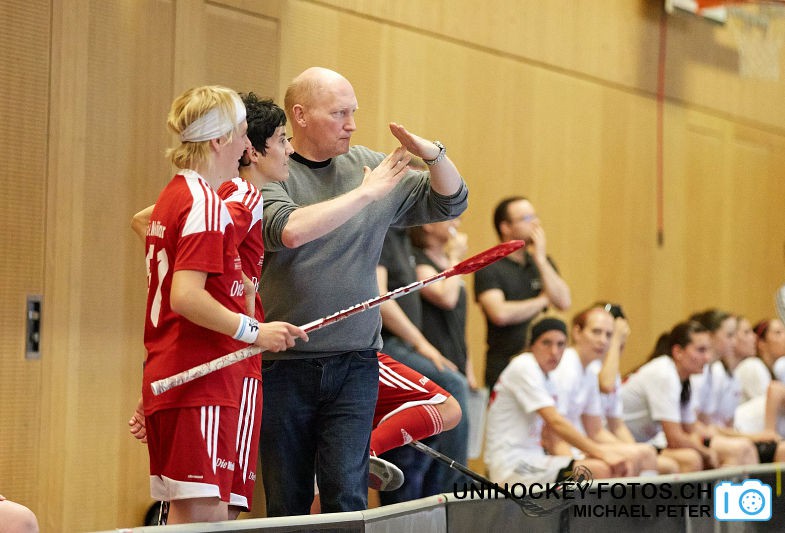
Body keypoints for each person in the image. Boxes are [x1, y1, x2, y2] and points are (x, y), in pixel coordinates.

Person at [258, 67, 468, 516]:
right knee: (287, 499)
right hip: (284, 362)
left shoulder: (368, 166)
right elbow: (287, 231)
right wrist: (366, 195)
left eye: (353, 112)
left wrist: (435, 156)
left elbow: (452, 201)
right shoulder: (272, 170)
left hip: (355, 360)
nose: (351, 124)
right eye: (339, 114)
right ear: (300, 116)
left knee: (347, 497)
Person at [138, 85, 307, 524]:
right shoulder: (208, 202)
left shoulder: (176, 195)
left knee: (203, 515)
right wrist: (254, 329)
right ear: (219, 139)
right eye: (243, 133)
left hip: (182, 371)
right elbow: (186, 296)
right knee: (208, 518)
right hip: (204, 374)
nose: (246, 145)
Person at [375, 224, 470, 504]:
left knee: (423, 437)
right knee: (453, 387)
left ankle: (429, 504)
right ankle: (453, 494)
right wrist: (422, 344)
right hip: (388, 344)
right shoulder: (386, 234)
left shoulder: (404, 240)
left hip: (404, 345)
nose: (456, 222)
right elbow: (380, 297)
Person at [484, 316, 626, 486]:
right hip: (511, 464)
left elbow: (553, 431)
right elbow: (555, 421)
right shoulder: (524, 365)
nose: (554, 351)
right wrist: (601, 453)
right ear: (532, 344)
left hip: (535, 459)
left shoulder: (548, 377)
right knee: (598, 469)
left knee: (608, 467)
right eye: (546, 343)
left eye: (560, 345)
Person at [547, 306, 659, 476]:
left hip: (580, 446)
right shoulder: (565, 367)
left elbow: (596, 431)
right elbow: (553, 434)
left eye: (608, 335)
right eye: (596, 332)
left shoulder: (590, 370)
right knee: (618, 463)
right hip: (559, 450)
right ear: (577, 332)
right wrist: (577, 462)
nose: (603, 341)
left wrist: (631, 450)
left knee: (643, 453)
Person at [474, 196, 571, 389]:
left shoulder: (541, 262)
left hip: (542, 365)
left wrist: (540, 260)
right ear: (505, 227)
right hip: (505, 364)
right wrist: (543, 300)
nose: (536, 223)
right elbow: (500, 314)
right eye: (527, 218)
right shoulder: (489, 266)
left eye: (535, 216)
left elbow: (564, 301)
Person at [621, 321, 740, 470]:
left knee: (726, 450)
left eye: (708, 350)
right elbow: (674, 439)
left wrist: (730, 439)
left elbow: (690, 428)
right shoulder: (664, 374)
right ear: (678, 352)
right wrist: (705, 452)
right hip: (621, 442)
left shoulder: (684, 379)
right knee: (691, 459)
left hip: (641, 444)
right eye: (701, 350)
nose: (707, 358)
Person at [733, 315, 772, 403]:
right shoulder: (751, 365)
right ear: (732, 338)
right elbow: (767, 406)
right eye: (746, 332)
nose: (755, 337)